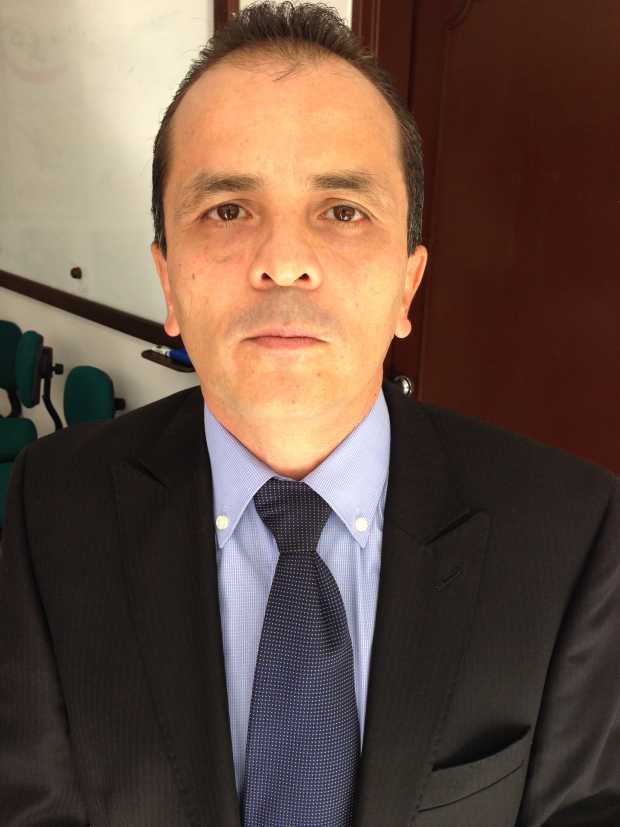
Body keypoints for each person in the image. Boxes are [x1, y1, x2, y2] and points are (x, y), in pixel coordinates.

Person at [1, 2, 618, 825]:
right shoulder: (53, 504)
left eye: (342, 211)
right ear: (168, 280)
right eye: (228, 209)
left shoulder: (570, 532)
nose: (284, 262)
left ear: (407, 285)